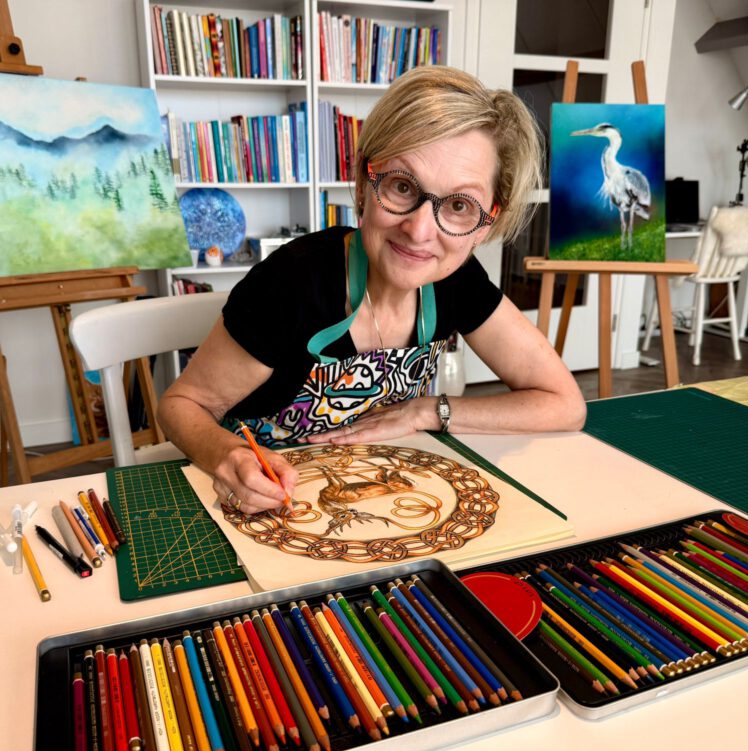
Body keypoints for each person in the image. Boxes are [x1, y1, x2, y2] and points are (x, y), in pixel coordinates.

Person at [158, 65, 586, 516]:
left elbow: (564, 404)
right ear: (365, 182)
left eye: (459, 205)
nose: (419, 231)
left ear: (485, 223)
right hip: (262, 501)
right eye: (402, 186)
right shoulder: (291, 281)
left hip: (380, 496)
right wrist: (228, 456)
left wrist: (427, 411)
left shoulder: (457, 279)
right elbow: (180, 405)